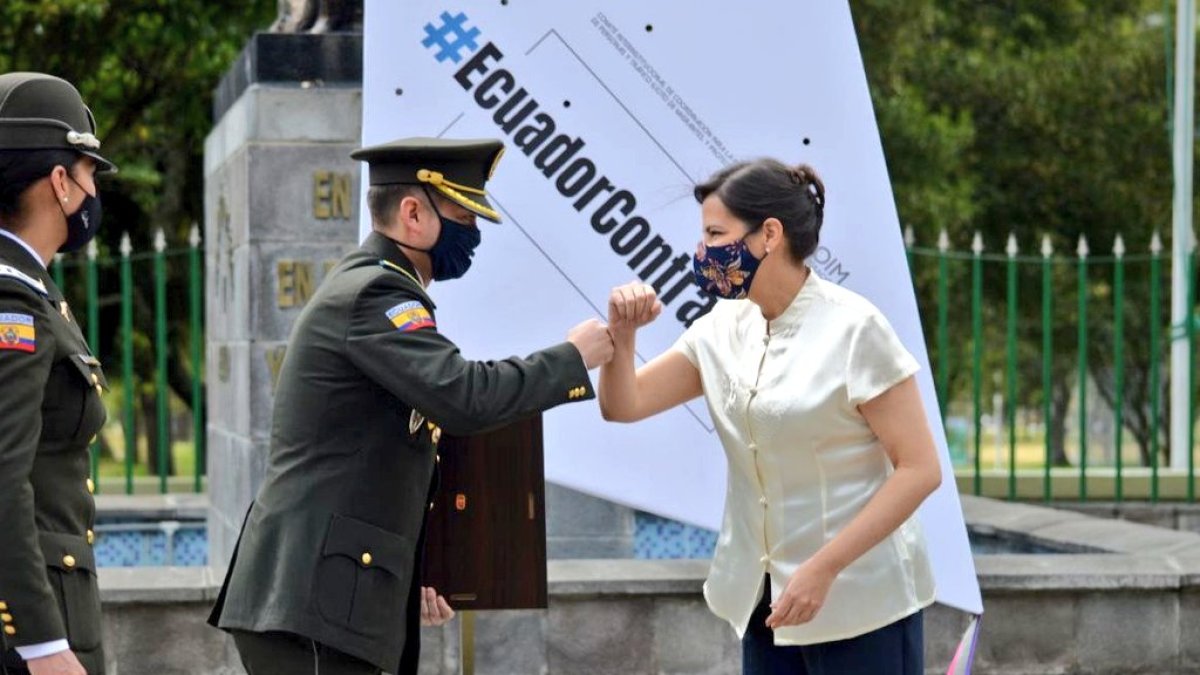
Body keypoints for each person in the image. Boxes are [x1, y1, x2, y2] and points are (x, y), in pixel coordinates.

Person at [208, 137, 614, 675]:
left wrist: (414, 567)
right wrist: (571, 359)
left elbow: (385, 453)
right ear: (413, 213)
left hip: (330, 595)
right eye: (463, 216)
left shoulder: (375, 286)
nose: (472, 233)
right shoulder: (377, 295)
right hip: (311, 604)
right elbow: (463, 397)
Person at [599, 159, 941, 674]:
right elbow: (624, 405)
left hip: (860, 600)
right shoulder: (722, 327)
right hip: (767, 603)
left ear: (770, 235)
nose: (702, 251)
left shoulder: (855, 328)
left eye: (716, 233)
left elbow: (919, 469)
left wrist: (823, 568)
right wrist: (622, 335)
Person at [0, 72, 117, 675]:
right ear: (60, 183)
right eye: (90, 171)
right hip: (31, 627)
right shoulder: (13, 306)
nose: (95, 189)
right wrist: (42, 642)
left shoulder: (33, 292)